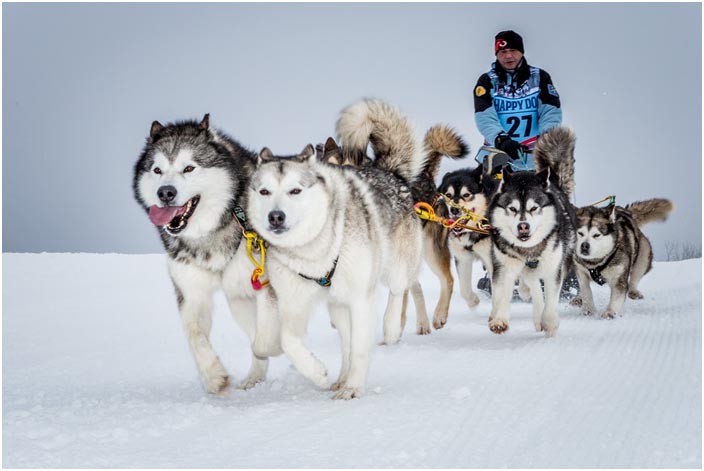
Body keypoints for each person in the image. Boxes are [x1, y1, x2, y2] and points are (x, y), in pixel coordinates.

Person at [473, 30, 562, 171]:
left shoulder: (540, 77)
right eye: (502, 52)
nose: (508, 56)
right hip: (498, 157)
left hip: (535, 157)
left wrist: (546, 137)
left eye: (513, 50)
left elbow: (551, 111)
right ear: (496, 55)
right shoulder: (486, 81)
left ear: (521, 51)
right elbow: (484, 116)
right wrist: (501, 140)